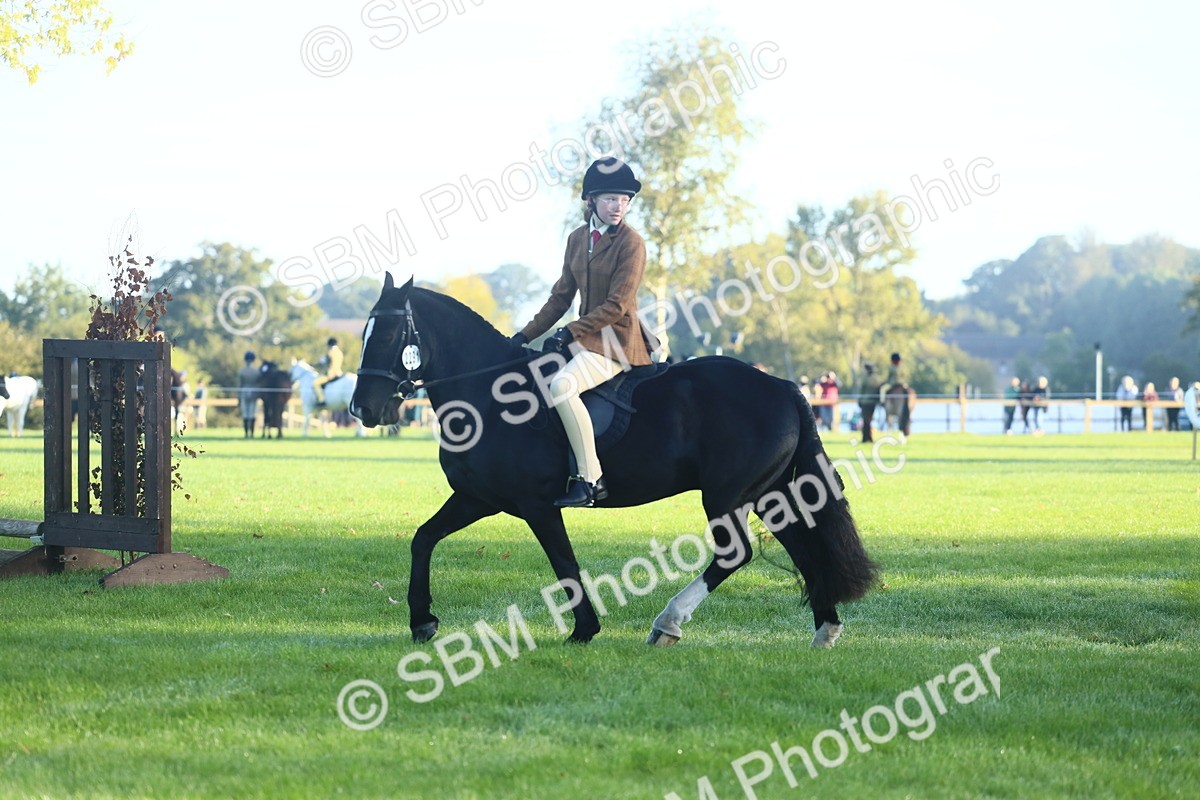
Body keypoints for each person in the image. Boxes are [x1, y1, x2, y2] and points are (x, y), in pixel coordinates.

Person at [511, 157, 659, 508]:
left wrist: (569, 331)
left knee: (561, 387)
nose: (618, 207)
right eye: (611, 199)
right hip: (582, 340)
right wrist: (524, 335)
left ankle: (591, 481)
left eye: (624, 200)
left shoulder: (632, 243)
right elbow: (561, 295)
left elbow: (618, 304)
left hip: (617, 342)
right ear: (591, 200)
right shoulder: (577, 239)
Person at [857, 363, 883, 443]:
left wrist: (859, 400)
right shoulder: (878, 379)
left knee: (866, 420)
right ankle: (869, 437)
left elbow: (861, 390)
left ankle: (866, 438)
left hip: (865, 402)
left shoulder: (865, 379)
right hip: (873, 402)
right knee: (869, 420)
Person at [314, 337, 343, 407]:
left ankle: (322, 399)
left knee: (315, 383)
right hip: (339, 373)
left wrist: (314, 366)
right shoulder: (340, 353)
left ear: (329, 345)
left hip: (330, 375)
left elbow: (322, 363)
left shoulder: (329, 353)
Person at [237, 351, 260, 438]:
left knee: (245, 413)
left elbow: (240, 384)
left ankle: (246, 434)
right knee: (252, 413)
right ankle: (252, 434)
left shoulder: (242, 371)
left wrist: (238, 396)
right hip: (254, 393)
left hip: (244, 392)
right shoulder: (257, 371)